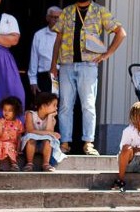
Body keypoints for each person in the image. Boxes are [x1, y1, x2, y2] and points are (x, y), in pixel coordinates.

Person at [51, 0, 127, 155]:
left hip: (88, 64)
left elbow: (121, 32)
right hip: (66, 64)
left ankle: (88, 143)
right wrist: (53, 64)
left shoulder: (100, 11)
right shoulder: (67, 11)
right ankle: (64, 143)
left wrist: (107, 54)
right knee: (65, 105)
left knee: (88, 105)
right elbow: (58, 39)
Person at [20, 92, 65, 172]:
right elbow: (30, 130)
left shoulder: (52, 119)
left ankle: (46, 164)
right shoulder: (30, 114)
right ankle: (29, 163)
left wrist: (50, 117)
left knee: (48, 140)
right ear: (44, 105)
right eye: (54, 105)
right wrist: (50, 133)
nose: (56, 108)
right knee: (31, 138)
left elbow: (49, 133)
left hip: (43, 147)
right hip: (30, 145)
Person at [28, 6, 62, 96]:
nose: (56, 20)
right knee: (45, 106)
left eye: (58, 17)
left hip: (63, 76)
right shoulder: (39, 35)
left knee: (63, 106)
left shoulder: (66, 36)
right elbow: (34, 59)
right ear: (47, 18)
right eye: (53, 17)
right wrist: (33, 81)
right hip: (44, 77)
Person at [0, 97, 24, 171]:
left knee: (8, 145)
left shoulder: (18, 123)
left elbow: (19, 137)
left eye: (10, 110)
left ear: (15, 112)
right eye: (5, 110)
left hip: (12, 144)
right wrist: (0, 125)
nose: (6, 112)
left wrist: (19, 148)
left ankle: (14, 164)